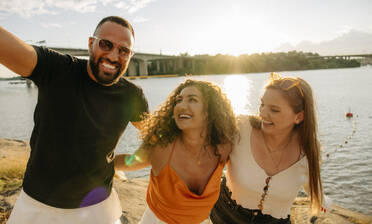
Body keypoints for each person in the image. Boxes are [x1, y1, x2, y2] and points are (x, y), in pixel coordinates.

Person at [0, 16, 149, 224]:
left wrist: (119, 163)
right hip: (37, 205)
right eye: (106, 44)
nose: (114, 56)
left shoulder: (132, 95)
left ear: (130, 55)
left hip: (98, 209)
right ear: (91, 43)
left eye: (124, 50)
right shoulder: (57, 68)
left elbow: (156, 142)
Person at [210, 72, 332, 224]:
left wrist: (323, 202)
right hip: (226, 216)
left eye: (274, 110)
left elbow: (312, 184)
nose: (262, 113)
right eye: (262, 104)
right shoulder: (241, 128)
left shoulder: (308, 150)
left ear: (299, 117)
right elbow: (207, 154)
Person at [115, 79, 239, 224]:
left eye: (192, 99)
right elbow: (129, 162)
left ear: (209, 111)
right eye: (178, 100)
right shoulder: (162, 147)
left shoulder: (223, 147)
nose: (181, 105)